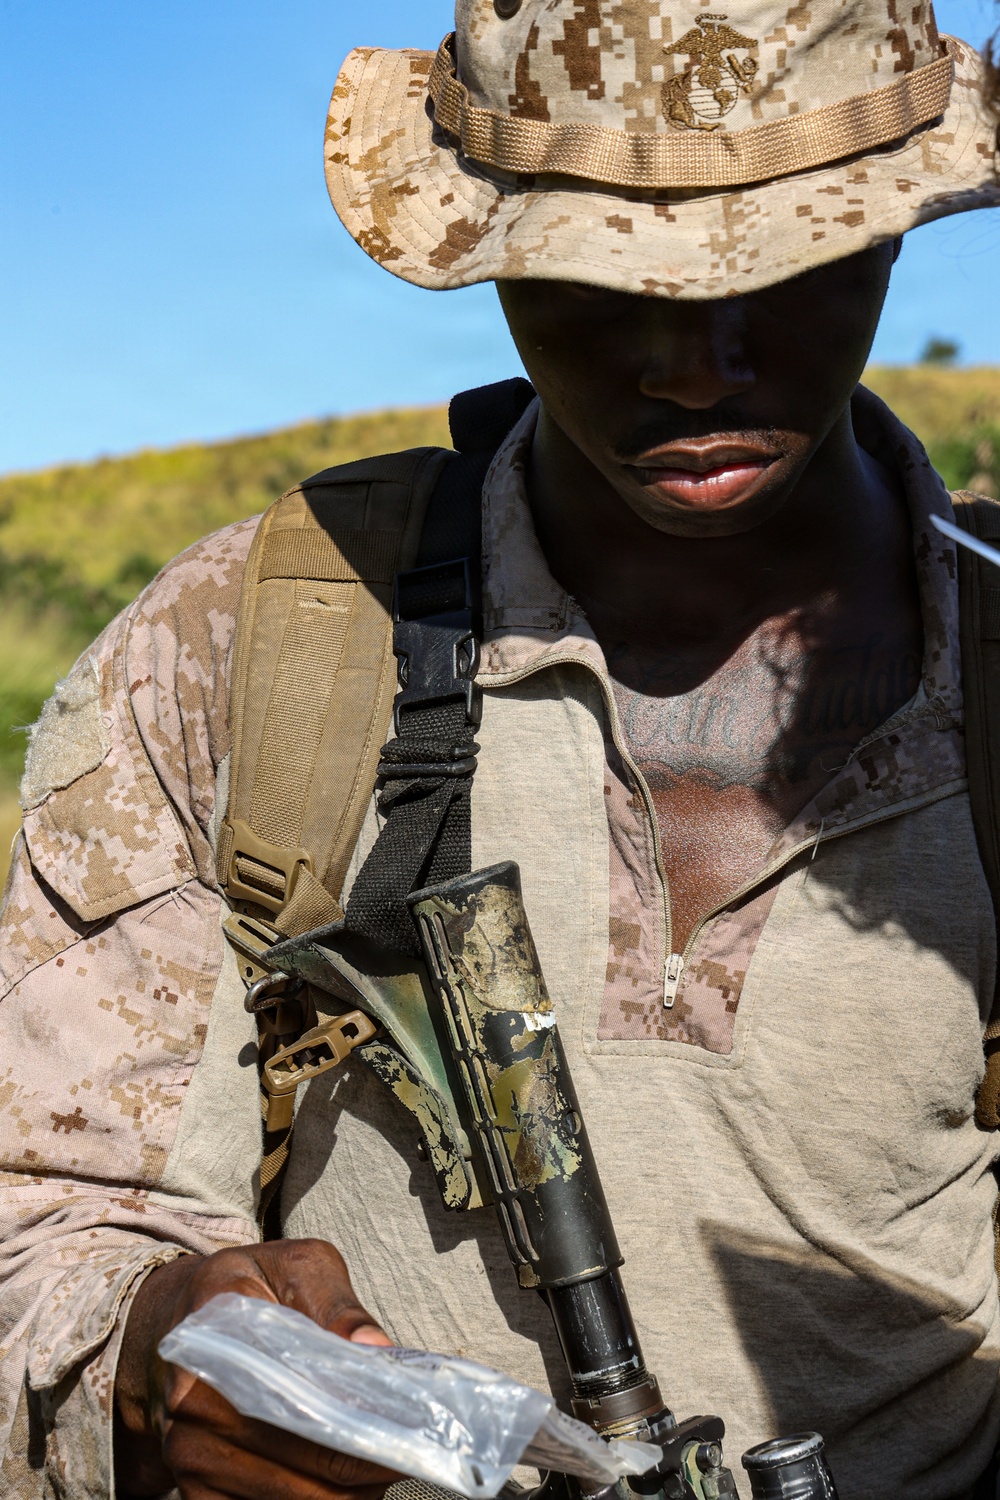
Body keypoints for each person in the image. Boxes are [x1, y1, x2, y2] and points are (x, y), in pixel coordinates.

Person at [2, 1, 1000, 1497]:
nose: (694, 364)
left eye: (779, 268)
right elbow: (43, 1218)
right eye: (600, 278)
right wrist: (150, 1353)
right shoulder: (253, 647)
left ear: (892, 230)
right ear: (492, 251)